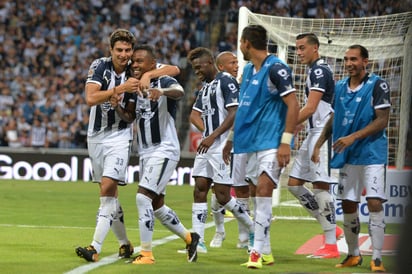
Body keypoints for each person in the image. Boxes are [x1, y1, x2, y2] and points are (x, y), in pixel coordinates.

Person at [75, 29, 180, 263]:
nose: (124, 55)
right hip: (96, 136)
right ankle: (124, 244)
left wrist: (149, 74)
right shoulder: (100, 67)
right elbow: (91, 98)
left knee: (108, 186)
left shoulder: (136, 67)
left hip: (120, 137)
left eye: (127, 50)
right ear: (110, 50)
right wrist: (119, 90)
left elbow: (174, 69)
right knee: (109, 194)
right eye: (119, 50)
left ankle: (95, 247)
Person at [116, 44, 199, 265]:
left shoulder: (162, 80)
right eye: (134, 61)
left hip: (164, 148)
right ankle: (190, 238)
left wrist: (159, 91)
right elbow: (130, 116)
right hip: (145, 151)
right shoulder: (134, 84)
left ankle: (146, 254)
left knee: (142, 198)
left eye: (140, 61)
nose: (134, 64)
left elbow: (179, 91)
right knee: (156, 204)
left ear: (153, 64)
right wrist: (117, 106)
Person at [225, 24, 299, 269]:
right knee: (255, 194)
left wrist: (285, 142)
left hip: (271, 141)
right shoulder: (247, 70)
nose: (240, 47)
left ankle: (255, 252)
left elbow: (293, 105)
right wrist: (230, 139)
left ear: (246, 42)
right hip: (247, 142)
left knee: (265, 189)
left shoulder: (276, 68)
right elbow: (244, 108)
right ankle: (265, 251)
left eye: (241, 43)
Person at [312, 44, 390, 272]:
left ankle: (377, 258)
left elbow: (382, 120)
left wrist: (353, 137)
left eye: (354, 59)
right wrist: (318, 144)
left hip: (372, 154)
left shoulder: (377, 85)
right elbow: (333, 119)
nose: (349, 64)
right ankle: (353, 254)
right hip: (348, 155)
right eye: (346, 59)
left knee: (374, 201)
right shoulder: (340, 86)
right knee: (347, 204)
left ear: (365, 61)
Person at [187, 47, 254, 254]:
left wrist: (214, 135)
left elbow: (235, 112)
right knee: (199, 188)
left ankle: (252, 229)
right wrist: (207, 132)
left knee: (223, 196)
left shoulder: (226, 80)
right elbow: (193, 115)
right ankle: (197, 241)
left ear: (210, 63)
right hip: (209, 145)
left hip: (223, 144)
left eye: (199, 67)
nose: (197, 71)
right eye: (194, 68)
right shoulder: (206, 86)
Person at [287, 33, 342, 259]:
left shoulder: (319, 71)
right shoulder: (315, 71)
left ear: (315, 48)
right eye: (297, 48)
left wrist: (287, 127)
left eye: (302, 48)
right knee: (293, 184)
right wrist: (300, 125)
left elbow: (311, 108)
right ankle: (331, 227)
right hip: (312, 131)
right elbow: (310, 111)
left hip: (323, 132)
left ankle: (331, 245)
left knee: (321, 186)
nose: (299, 52)